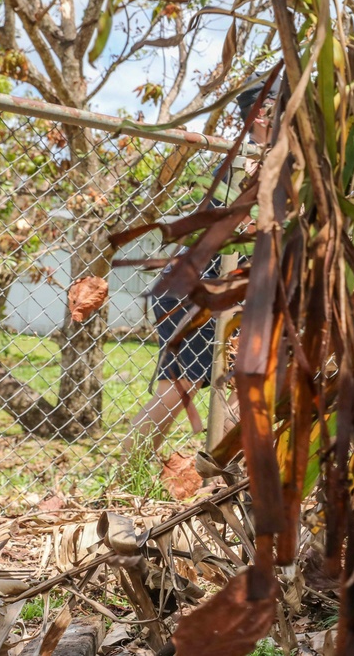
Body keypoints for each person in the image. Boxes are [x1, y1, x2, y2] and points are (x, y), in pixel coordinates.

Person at [125, 73, 281, 452]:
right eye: (283, 105)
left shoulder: (261, 162)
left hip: (200, 290)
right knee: (192, 389)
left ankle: (201, 478)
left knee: (209, 387)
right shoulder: (244, 167)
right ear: (260, 114)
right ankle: (148, 476)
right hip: (200, 294)